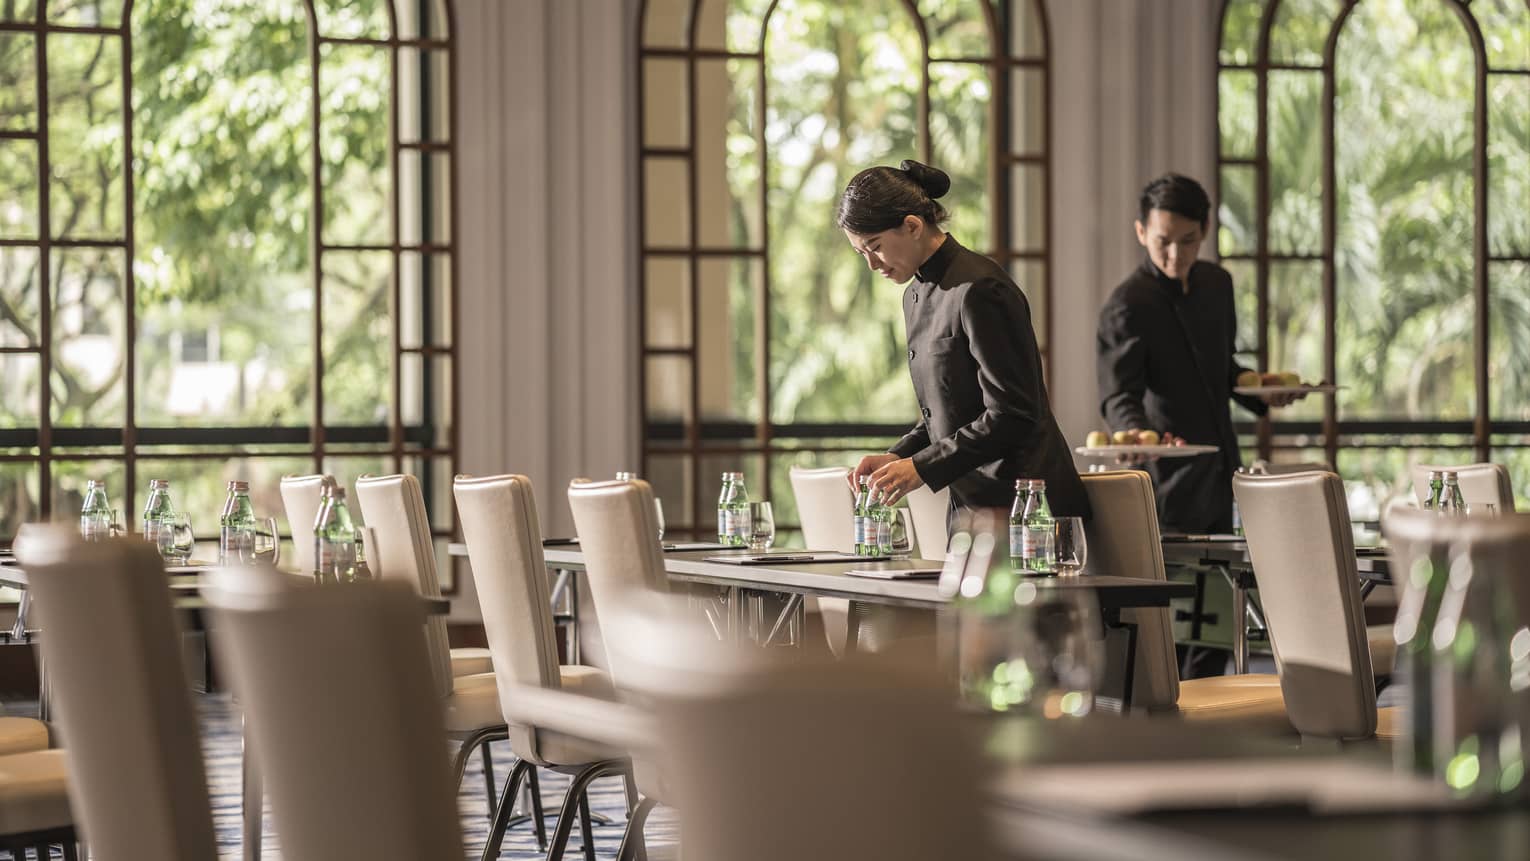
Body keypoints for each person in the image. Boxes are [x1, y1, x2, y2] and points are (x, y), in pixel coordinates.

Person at [841, 160, 1089, 529]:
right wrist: (897, 456)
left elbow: (1013, 414)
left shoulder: (980, 289)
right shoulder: (914, 297)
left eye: (874, 247)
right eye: (861, 253)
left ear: (912, 226)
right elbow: (949, 412)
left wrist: (921, 468)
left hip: (1028, 507)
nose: (872, 264)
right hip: (971, 509)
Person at [1096, 173, 1297, 535]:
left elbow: (1222, 368)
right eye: (1163, 242)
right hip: (1167, 478)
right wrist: (1134, 434)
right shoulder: (1126, 304)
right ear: (1141, 232)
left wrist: (1262, 393)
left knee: (1233, 583)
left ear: (1205, 228)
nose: (1176, 255)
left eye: (1188, 240)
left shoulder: (1217, 285)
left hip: (1225, 472)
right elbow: (1118, 394)